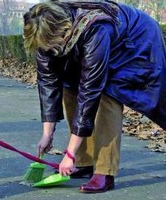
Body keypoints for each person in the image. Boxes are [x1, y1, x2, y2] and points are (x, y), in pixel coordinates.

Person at [23, 0, 166, 193]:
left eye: (49, 45)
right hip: (97, 44)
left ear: (62, 31)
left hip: (135, 41)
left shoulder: (95, 28)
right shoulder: (44, 39)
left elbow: (90, 91)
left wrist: (69, 153)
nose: (46, 50)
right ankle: (84, 161)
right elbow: (47, 84)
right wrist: (47, 134)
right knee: (69, 88)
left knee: (109, 94)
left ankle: (104, 170)